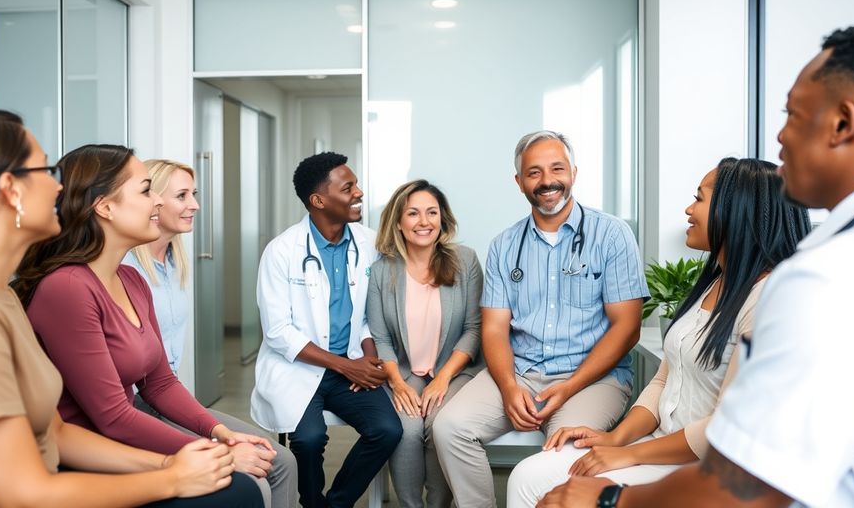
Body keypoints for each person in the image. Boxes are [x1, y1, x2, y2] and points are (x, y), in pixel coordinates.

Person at [538, 22, 854, 508]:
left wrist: (608, 500)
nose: (781, 136)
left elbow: (746, 488)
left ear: (842, 124)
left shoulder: (834, 274)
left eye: (793, 114)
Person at [0, 108, 259, 507]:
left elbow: (56, 434)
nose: (60, 189)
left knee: (236, 489)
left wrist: (168, 465)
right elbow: (21, 493)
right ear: (11, 189)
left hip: (52, 473)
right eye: (45, 172)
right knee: (236, 494)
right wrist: (173, 480)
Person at [509, 158, 810, 507]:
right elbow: (663, 382)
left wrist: (631, 455)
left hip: (699, 464)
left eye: (699, 198)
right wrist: (616, 438)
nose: (688, 209)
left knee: (544, 489)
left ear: (736, 210)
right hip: (659, 443)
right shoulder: (714, 282)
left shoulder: (768, 301)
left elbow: (725, 426)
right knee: (527, 476)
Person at [11, 144, 271, 506]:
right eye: (147, 191)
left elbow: (160, 381)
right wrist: (215, 451)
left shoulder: (131, 280)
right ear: (104, 207)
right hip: (92, 457)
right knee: (242, 487)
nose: (158, 203)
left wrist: (221, 433)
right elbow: (114, 417)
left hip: (120, 443)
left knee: (262, 471)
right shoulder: (68, 287)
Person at [432, 130, 649, 508]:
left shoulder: (612, 235)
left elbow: (627, 328)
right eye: (533, 172)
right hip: (521, 371)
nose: (547, 180)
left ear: (574, 173)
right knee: (449, 428)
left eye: (556, 169)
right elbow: (496, 328)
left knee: (559, 457)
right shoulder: (504, 245)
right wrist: (509, 388)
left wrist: (567, 387)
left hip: (592, 378)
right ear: (519, 183)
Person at [124, 159, 298, 508]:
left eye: (195, 194)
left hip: (166, 397)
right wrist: (220, 445)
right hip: (138, 406)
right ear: (154, 201)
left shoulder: (174, 262)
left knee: (282, 460)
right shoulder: (126, 269)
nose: (195, 205)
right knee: (254, 478)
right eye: (183, 195)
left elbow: (163, 376)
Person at [252, 152, 402, 508]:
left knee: (387, 430)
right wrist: (344, 366)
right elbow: (277, 331)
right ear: (318, 201)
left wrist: (366, 359)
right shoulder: (281, 251)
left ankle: (334, 504)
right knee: (307, 439)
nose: (359, 193)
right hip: (299, 368)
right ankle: (311, 502)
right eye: (348, 188)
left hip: (350, 362)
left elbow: (368, 313)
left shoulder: (368, 244)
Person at [367, 180, 485, 508]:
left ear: (442, 219)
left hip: (455, 370)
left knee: (438, 426)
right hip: (404, 371)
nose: (424, 222)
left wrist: (443, 379)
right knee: (404, 430)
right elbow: (381, 338)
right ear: (399, 222)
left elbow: (474, 330)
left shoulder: (465, 261)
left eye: (432, 212)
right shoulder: (381, 272)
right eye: (414, 213)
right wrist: (398, 384)